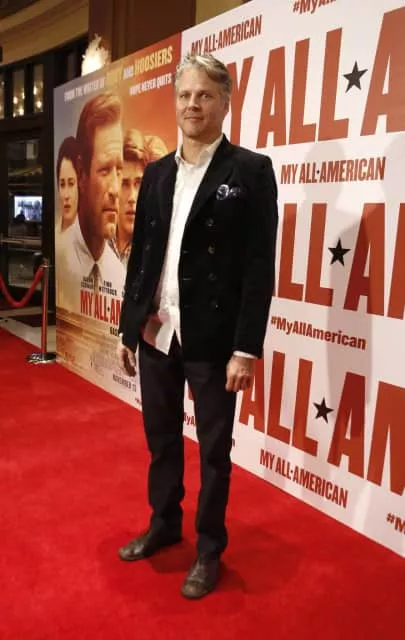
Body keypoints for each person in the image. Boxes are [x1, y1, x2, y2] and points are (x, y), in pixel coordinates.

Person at [117, 53, 278, 599]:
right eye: (185, 95)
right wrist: (128, 327)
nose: (192, 104)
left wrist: (246, 349)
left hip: (213, 339)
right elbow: (142, 255)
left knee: (213, 452)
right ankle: (164, 524)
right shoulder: (157, 173)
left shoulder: (250, 172)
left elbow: (259, 267)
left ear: (225, 102)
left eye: (204, 95)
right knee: (161, 439)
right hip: (157, 332)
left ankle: (209, 550)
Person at [57, 92, 125, 313]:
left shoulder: (119, 276)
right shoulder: (61, 255)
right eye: (104, 170)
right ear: (81, 173)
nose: (115, 189)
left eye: (119, 170)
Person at [110, 130, 168, 266]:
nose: (132, 197)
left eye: (138, 183)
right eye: (124, 184)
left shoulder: (155, 249)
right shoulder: (100, 240)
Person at [55, 136, 79, 235]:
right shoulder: (55, 233)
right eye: (62, 184)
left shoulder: (88, 237)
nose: (66, 195)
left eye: (71, 184)